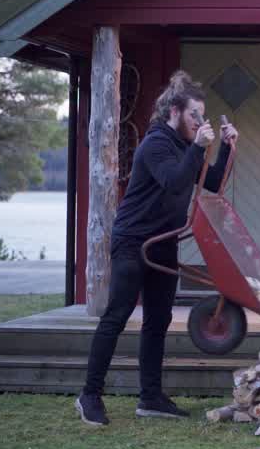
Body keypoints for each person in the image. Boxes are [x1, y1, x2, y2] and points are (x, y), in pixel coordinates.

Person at [76, 71, 239, 426]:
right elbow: (173, 181)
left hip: (162, 242)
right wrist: (198, 146)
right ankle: (89, 395)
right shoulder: (156, 144)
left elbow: (210, 183)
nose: (199, 122)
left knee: (158, 320)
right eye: (195, 115)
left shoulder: (182, 145)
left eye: (203, 116)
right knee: (117, 317)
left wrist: (226, 147)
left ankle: (150, 398)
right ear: (175, 111)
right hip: (134, 242)